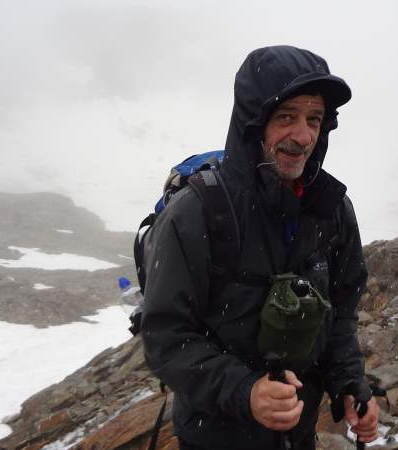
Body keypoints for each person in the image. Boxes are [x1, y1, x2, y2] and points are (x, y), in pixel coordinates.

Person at [141, 45, 379, 450]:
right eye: (286, 117)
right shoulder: (199, 212)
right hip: (215, 439)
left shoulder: (332, 209)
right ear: (254, 123)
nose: (303, 136)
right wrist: (245, 392)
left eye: (314, 119)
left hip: (297, 433)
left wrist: (349, 382)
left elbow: (339, 313)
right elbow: (165, 336)